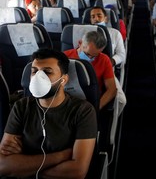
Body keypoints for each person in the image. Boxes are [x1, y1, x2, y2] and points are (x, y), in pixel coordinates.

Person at [0, 48, 97, 178]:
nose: (38, 77)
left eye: (47, 72)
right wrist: (62, 156)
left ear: (63, 80)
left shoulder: (83, 111)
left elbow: (77, 171)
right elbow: (3, 165)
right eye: (34, 71)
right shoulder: (21, 107)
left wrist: (22, 166)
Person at [64, 31, 117, 110]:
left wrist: (96, 107)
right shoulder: (64, 56)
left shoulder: (104, 60)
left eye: (94, 56)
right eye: (87, 54)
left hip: (90, 102)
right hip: (66, 99)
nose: (89, 58)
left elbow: (112, 89)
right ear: (80, 43)